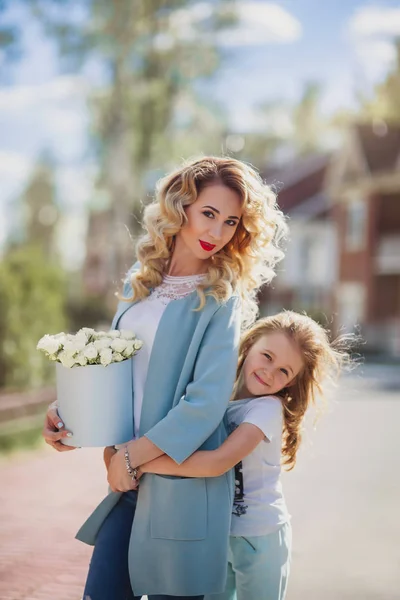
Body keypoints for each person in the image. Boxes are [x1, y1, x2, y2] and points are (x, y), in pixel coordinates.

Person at [42, 156, 287, 600]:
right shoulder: (139, 285)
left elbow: (204, 403)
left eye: (230, 222)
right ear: (181, 208)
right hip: (126, 485)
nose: (216, 233)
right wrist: (68, 412)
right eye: (208, 214)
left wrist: (132, 457)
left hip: (181, 488)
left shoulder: (220, 300)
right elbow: (119, 375)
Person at [130, 311, 354, 600]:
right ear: (248, 346)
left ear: (292, 382)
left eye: (285, 371)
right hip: (217, 534)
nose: (270, 373)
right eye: (267, 356)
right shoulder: (217, 398)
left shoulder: (266, 409)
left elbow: (217, 463)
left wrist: (141, 462)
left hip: (260, 537)